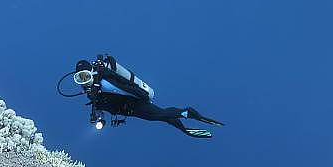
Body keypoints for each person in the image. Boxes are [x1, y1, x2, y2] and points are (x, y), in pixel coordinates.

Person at [58, 54, 224, 138]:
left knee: (159, 115)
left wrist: (143, 96)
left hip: (134, 104)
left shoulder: (104, 82)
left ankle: (188, 113)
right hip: (128, 110)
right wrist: (98, 118)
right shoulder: (91, 93)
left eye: (86, 76)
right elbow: (100, 107)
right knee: (162, 116)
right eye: (80, 78)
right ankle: (185, 129)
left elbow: (125, 88)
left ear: (92, 73)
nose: (84, 81)